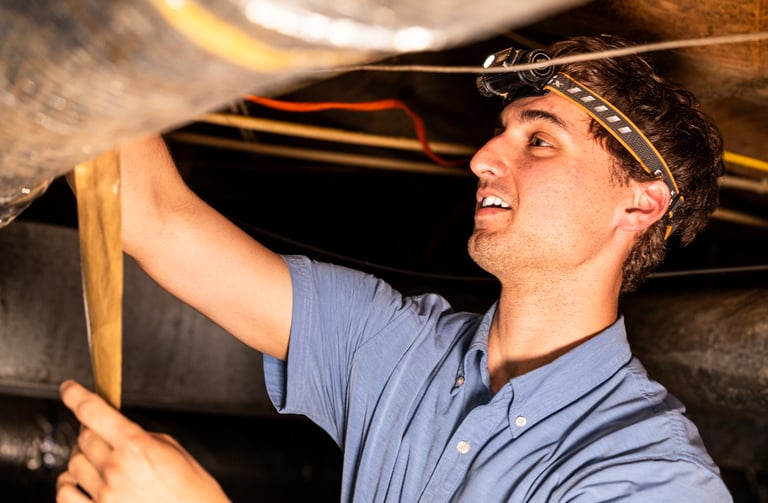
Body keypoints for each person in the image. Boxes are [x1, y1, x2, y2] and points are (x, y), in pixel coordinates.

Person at [56, 34, 732, 502]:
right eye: (498, 133)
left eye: (537, 140)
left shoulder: (648, 477)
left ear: (638, 204)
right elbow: (153, 216)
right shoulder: (396, 348)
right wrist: (79, 35)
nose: (482, 159)